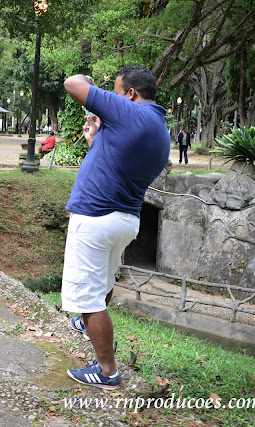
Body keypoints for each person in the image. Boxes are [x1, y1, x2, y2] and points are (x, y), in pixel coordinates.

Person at [61, 65, 170, 390]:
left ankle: (107, 371)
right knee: (104, 283)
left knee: (88, 299)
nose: (115, 98)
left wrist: (92, 86)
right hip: (125, 218)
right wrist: (97, 139)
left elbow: (72, 84)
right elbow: (117, 163)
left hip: (95, 216)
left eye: (117, 92)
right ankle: (87, 326)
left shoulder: (129, 111)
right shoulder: (160, 131)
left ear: (130, 94)